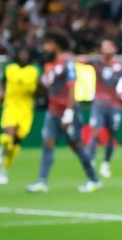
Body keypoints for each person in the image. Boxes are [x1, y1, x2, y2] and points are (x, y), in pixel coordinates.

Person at [26, 31, 102, 194]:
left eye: (48, 44)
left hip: (69, 111)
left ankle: (94, 179)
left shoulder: (66, 63)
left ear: (56, 45)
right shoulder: (48, 65)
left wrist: (69, 112)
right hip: (53, 111)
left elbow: (71, 87)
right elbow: (47, 87)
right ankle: (41, 182)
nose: (45, 47)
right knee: (47, 143)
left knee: (76, 146)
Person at [0, 47, 41, 185]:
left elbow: (40, 89)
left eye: (26, 53)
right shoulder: (9, 68)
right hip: (11, 106)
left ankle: (4, 169)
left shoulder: (35, 70)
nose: (24, 56)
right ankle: (2, 147)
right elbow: (2, 83)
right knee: (8, 133)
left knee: (15, 142)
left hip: (26, 109)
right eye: (21, 52)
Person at [84, 40, 122, 179]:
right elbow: (81, 60)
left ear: (114, 49)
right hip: (99, 103)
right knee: (95, 131)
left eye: (108, 47)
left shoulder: (119, 65)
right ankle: (90, 161)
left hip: (114, 105)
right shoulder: (97, 62)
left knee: (111, 134)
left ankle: (105, 164)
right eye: (103, 47)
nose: (105, 50)